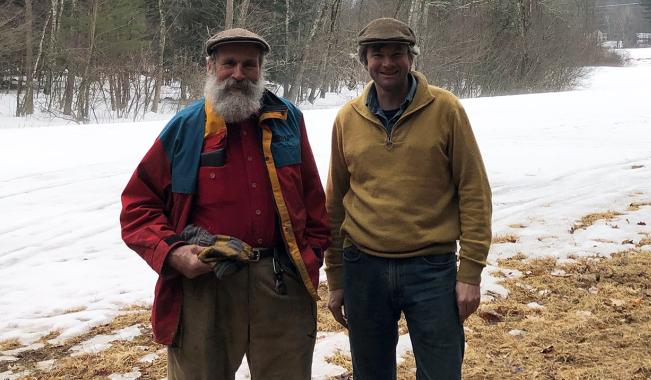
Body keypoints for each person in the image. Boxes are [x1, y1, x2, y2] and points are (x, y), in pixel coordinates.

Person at [120, 27, 330, 380]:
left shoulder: (288, 120)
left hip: (280, 281)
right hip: (206, 284)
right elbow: (137, 205)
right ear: (210, 67)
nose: (238, 74)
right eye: (229, 63)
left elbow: (313, 201)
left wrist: (311, 256)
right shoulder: (186, 128)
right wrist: (173, 254)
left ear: (262, 71)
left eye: (249, 65)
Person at [324, 18, 492, 380]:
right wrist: (336, 278)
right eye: (377, 55)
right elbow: (334, 204)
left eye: (397, 53)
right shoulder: (347, 119)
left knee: (441, 372)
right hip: (363, 268)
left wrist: (471, 272)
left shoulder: (446, 110)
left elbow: (474, 191)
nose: (387, 63)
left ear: (411, 58)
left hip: (432, 270)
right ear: (364, 60)